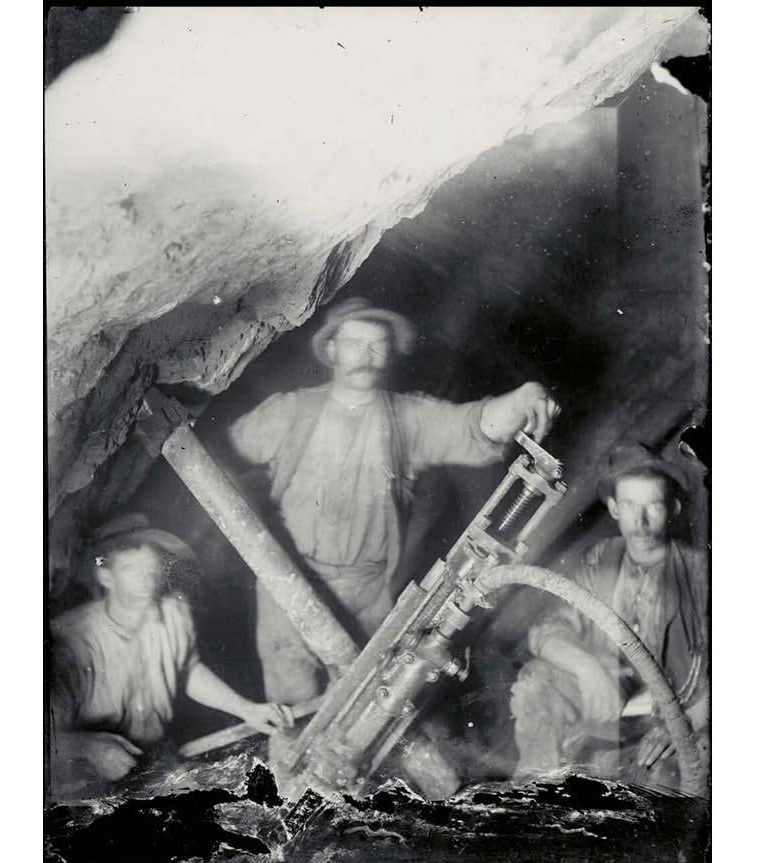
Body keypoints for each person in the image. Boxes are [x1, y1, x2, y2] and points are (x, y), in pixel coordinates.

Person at [226, 297, 562, 710]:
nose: (366, 356)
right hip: (287, 586)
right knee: (292, 713)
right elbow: (223, 457)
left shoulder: (408, 418)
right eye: (354, 343)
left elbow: (470, 426)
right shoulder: (289, 411)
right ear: (331, 349)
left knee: (363, 712)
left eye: (377, 344)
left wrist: (522, 398)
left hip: (366, 592)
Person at [48, 514, 295, 799]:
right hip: (83, 777)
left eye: (150, 566)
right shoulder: (71, 642)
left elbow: (188, 671)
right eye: (130, 568)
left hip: (154, 756)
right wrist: (89, 748)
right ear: (106, 576)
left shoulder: (175, 614)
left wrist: (247, 709)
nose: (146, 578)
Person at [509, 442, 709, 789]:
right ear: (614, 508)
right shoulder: (598, 559)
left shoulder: (699, 571)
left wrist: (684, 726)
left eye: (654, 507)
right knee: (536, 684)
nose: (642, 521)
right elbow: (547, 630)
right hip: (609, 702)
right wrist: (586, 666)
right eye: (630, 505)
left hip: (683, 716)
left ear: (673, 509)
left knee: (676, 788)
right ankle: (530, 797)